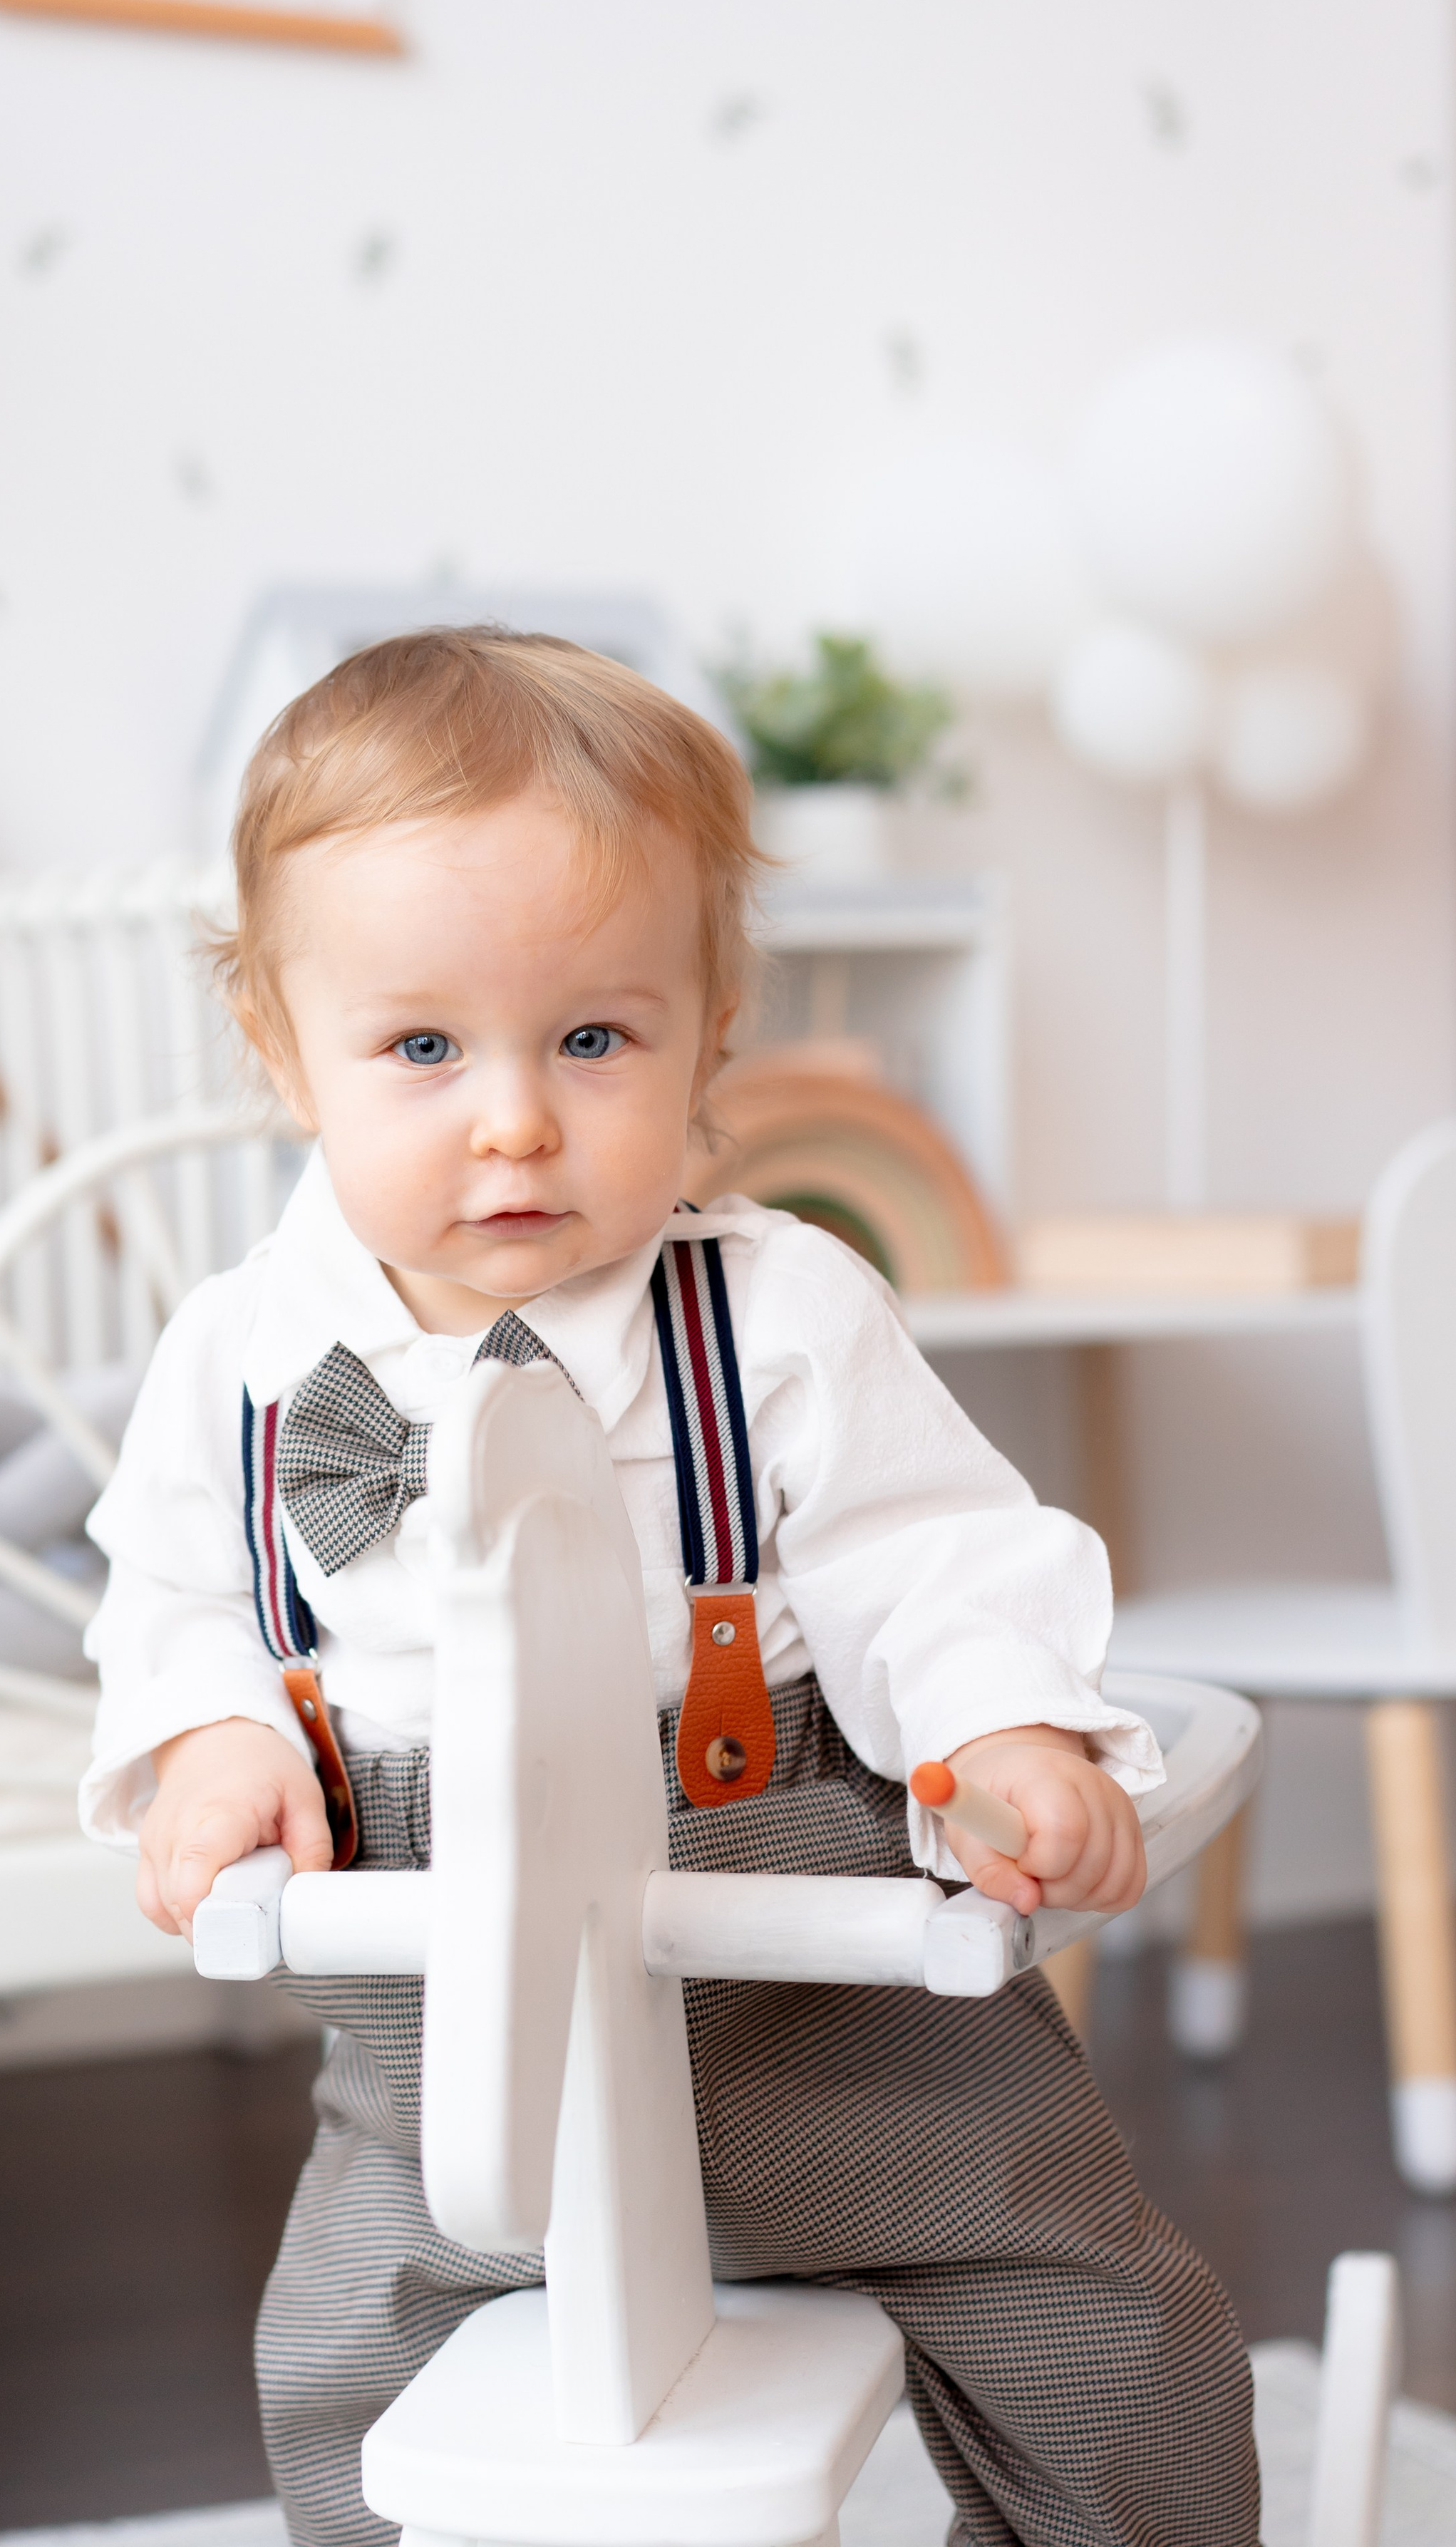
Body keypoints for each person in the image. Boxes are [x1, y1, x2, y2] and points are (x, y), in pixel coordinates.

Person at [81, 626, 1258, 2547]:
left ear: (711, 1035)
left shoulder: (775, 1309)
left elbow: (926, 1549)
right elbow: (171, 1594)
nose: (516, 1119)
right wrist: (212, 1736)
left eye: (594, 1040)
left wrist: (1000, 1726)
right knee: (345, 2366)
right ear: (283, 1053)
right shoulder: (238, 1356)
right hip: (451, 2025)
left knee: (1096, 2320)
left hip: (821, 1992)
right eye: (424, 1049)